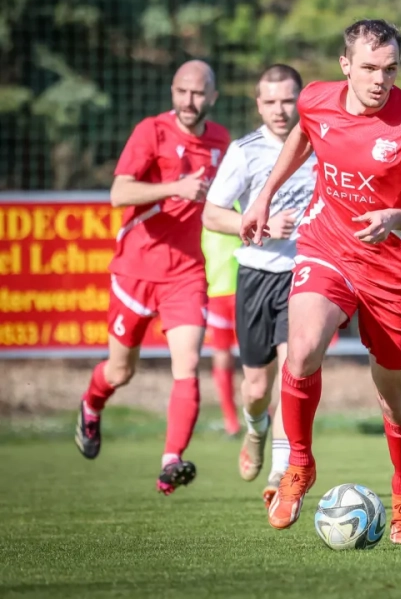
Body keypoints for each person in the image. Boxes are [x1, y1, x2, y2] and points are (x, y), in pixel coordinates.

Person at [240, 20, 401, 544]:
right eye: (370, 68)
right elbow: (303, 136)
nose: (381, 80)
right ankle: (299, 464)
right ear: (345, 65)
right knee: (303, 346)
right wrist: (264, 195)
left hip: (392, 271)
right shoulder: (315, 99)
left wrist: (394, 217)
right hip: (327, 246)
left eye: (390, 69)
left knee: (397, 399)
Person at [74, 60, 231, 496]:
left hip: (186, 275)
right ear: (172, 92)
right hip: (135, 273)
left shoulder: (221, 141)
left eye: (198, 93)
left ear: (213, 97)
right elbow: (118, 193)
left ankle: (170, 463)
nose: (189, 100)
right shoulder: (152, 131)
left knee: (187, 366)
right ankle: (91, 404)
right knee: (120, 371)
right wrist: (175, 188)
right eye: (182, 91)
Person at [203, 64, 318, 506]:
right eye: (270, 101)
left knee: (295, 371)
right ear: (258, 104)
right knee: (255, 390)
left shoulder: (320, 145)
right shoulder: (245, 151)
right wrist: (260, 226)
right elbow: (212, 214)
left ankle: (280, 471)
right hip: (255, 276)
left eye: (288, 100)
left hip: (304, 275)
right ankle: (255, 430)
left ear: (300, 100)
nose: (280, 110)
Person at [202, 223, 242, 437]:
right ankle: (231, 420)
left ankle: (261, 411)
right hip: (217, 292)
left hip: (243, 289)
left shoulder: (235, 209)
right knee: (222, 356)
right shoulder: (204, 217)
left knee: (255, 355)